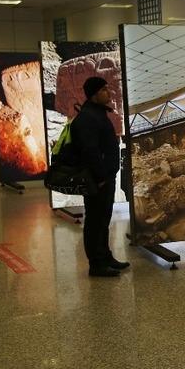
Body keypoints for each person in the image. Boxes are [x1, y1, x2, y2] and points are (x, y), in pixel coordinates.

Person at [71, 77, 130, 277]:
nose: (109, 92)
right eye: (104, 90)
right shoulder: (88, 117)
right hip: (97, 179)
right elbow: (90, 151)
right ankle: (96, 264)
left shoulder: (97, 113)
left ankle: (105, 256)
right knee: (95, 220)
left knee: (103, 219)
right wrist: (101, 176)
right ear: (94, 94)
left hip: (105, 177)